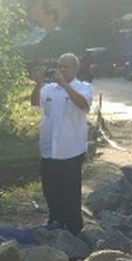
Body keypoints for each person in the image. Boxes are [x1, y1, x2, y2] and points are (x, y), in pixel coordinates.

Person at [31, 52, 92, 234]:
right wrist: (38, 83)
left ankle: (74, 229)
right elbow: (34, 103)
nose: (61, 69)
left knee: (70, 192)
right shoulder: (49, 89)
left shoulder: (83, 87)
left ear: (75, 69)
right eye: (59, 66)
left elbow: (83, 104)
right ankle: (55, 222)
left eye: (65, 66)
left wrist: (65, 85)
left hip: (70, 150)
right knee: (50, 190)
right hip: (49, 150)